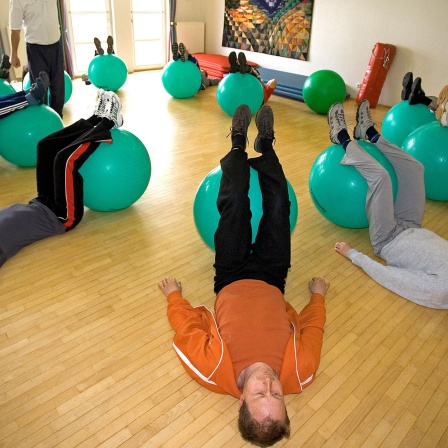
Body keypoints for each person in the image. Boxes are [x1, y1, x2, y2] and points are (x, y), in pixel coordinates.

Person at [159, 104, 329, 447]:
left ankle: (237, 142)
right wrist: (318, 295)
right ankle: (265, 144)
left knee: (236, 201)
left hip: (231, 275)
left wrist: (174, 296)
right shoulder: (302, 371)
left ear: (241, 399)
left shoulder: (211, 370)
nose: (268, 382)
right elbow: (313, 328)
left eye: (259, 393)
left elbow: (186, 329)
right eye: (277, 395)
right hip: (271, 276)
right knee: (279, 204)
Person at [327, 99, 448, 309]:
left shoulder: (439, 292)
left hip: (388, 238)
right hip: (412, 225)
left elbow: (391, 278)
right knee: (415, 169)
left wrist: (353, 254)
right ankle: (369, 133)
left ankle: (341, 137)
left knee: (381, 177)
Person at [0, 89, 123, 268]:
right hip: (60, 217)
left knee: (45, 147)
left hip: (40, 202)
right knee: (65, 161)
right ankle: (108, 123)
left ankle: (95, 119)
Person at [9, 0, 65, 117]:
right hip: (36, 50)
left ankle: (57, 123)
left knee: (59, 92)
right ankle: (43, 125)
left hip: (56, 47)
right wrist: (14, 53)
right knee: (40, 92)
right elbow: (15, 29)